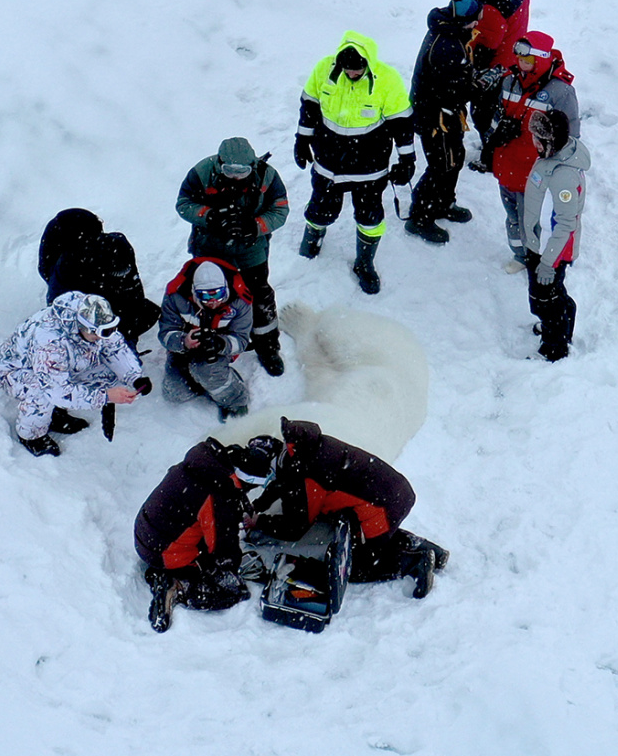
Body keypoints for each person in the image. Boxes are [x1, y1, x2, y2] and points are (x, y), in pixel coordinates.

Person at [247, 420, 447, 596]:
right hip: (395, 491)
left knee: (356, 566)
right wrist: (258, 505)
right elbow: (282, 481)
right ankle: (431, 551)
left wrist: (260, 522)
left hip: (382, 508)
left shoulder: (305, 477)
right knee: (369, 537)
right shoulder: (298, 451)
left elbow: (296, 528)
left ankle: (414, 563)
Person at [294, 33, 415, 294]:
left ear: (367, 64)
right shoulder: (324, 69)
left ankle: (364, 262)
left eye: (357, 70)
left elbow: (402, 123)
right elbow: (309, 106)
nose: (352, 74)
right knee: (321, 208)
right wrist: (302, 140)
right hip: (328, 161)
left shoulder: (388, 80)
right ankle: (313, 239)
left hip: (369, 166)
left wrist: (408, 159)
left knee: (370, 216)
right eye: (347, 69)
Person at [134, 436, 279, 627]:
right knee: (232, 592)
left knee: (202, 531)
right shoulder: (219, 498)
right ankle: (179, 587)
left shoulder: (208, 465)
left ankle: (172, 572)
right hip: (162, 552)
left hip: (146, 532)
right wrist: (234, 568)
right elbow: (223, 550)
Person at [176, 137, 292, 375]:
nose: (236, 177)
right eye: (230, 171)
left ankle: (267, 346)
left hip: (251, 249)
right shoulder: (201, 173)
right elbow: (184, 203)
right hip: (209, 248)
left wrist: (255, 226)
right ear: (220, 164)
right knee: (207, 296)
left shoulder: (267, 176)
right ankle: (207, 341)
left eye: (243, 171)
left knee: (259, 296)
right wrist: (210, 217)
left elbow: (280, 209)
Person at [471, 29, 580, 273]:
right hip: (506, 164)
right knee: (512, 217)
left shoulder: (560, 92)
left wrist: (545, 146)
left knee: (528, 220)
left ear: (540, 59)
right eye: (519, 58)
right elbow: (496, 117)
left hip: (533, 171)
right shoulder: (510, 80)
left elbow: (571, 137)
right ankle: (520, 255)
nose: (520, 63)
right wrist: (497, 133)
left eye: (527, 60)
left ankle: (534, 257)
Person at [0, 291, 145, 456]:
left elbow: (114, 347)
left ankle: (53, 415)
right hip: (16, 372)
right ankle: (31, 435)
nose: (104, 337)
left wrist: (134, 377)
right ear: (84, 327)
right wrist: (105, 396)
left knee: (105, 371)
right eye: (99, 334)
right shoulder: (50, 343)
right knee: (41, 391)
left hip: (57, 365)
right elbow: (57, 391)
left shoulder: (94, 317)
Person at [405, 0, 483, 245]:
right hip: (435, 119)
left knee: (454, 158)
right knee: (441, 166)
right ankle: (420, 216)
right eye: (474, 21)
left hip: (445, 114)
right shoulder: (447, 46)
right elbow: (455, 90)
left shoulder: (449, 33)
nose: (476, 26)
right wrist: (481, 85)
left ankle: (444, 203)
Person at [518, 107, 588, 361]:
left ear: (551, 141)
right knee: (552, 295)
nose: (533, 141)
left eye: (538, 138)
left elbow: (565, 224)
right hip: (541, 244)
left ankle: (554, 348)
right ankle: (561, 325)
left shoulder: (563, 176)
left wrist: (547, 262)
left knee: (543, 301)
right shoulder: (551, 158)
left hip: (552, 250)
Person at [36, 207, 159, 350]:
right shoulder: (68, 265)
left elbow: (133, 295)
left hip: (96, 273)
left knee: (131, 317)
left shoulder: (119, 248)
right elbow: (58, 304)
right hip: (67, 257)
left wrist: (123, 338)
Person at [157, 258, 255, 420]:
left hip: (219, 350)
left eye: (218, 293)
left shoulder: (240, 301)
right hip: (183, 349)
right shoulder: (176, 296)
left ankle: (234, 398)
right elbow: (165, 333)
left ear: (225, 288)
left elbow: (241, 339)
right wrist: (184, 341)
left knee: (207, 371)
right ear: (195, 291)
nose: (213, 301)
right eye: (205, 295)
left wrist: (220, 343)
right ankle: (203, 383)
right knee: (174, 393)